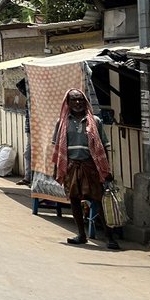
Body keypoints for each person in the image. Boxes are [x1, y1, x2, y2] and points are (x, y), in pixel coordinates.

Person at [50, 88, 118, 249]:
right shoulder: (62, 123)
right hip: (72, 166)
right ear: (68, 103)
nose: (78, 103)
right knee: (74, 200)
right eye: (74, 100)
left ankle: (110, 237)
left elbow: (103, 147)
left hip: (91, 166)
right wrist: (56, 169)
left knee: (98, 200)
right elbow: (57, 148)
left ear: (85, 101)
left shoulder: (95, 121)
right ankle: (81, 234)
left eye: (80, 99)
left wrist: (106, 170)